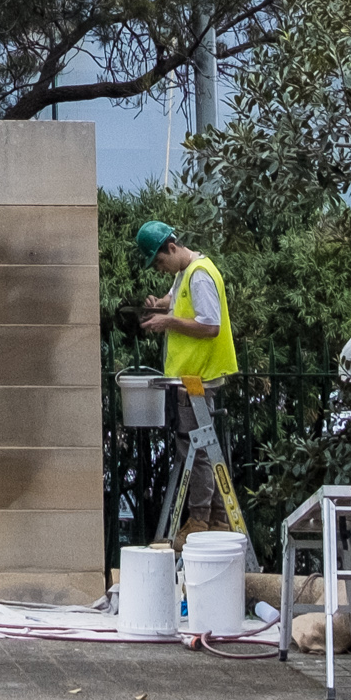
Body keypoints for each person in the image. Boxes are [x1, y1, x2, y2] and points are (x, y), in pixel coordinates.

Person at [135, 219, 240, 532]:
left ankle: (199, 519)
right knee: (204, 446)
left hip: (199, 378)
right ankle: (219, 519)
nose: (159, 268)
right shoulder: (185, 273)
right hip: (191, 377)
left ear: (171, 248)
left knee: (196, 449)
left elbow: (210, 326)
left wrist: (167, 323)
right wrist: (159, 305)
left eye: (159, 261)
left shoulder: (199, 276)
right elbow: (175, 301)